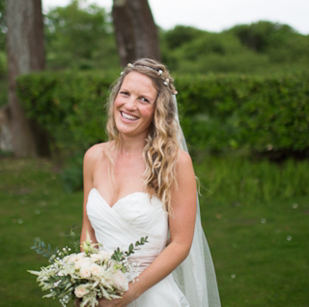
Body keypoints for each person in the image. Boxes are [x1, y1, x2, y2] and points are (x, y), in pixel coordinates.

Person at [80, 58, 221, 306]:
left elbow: (180, 244)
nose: (129, 105)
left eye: (143, 99)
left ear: (158, 110)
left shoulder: (174, 162)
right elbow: (88, 229)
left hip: (152, 296)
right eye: (125, 93)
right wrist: (86, 280)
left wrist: (128, 295)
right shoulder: (93, 156)